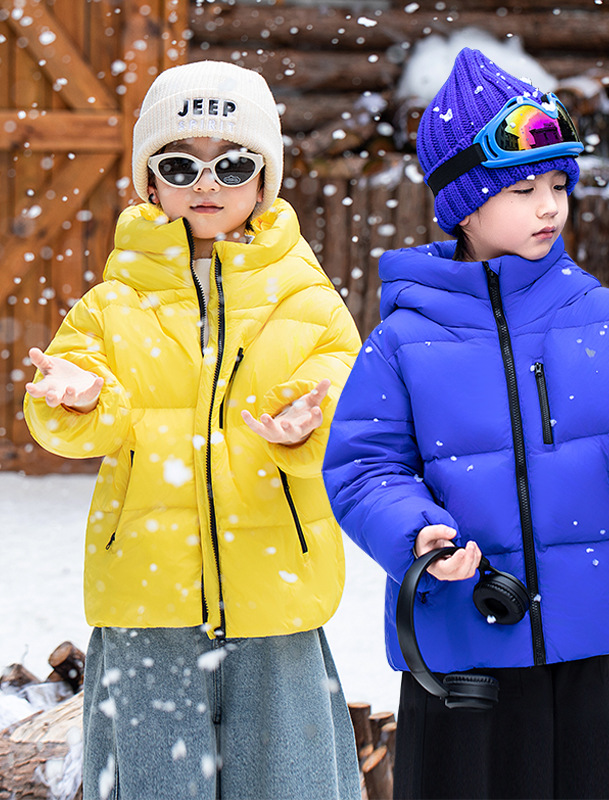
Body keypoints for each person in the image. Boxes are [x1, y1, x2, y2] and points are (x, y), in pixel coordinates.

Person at [322, 48, 609, 800]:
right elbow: (363, 466)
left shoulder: (599, 317)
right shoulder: (404, 340)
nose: (550, 207)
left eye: (558, 186)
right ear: (465, 205)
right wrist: (417, 534)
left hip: (577, 630)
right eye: (524, 189)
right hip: (463, 635)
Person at [24, 60, 362, 800]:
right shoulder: (112, 303)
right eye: (180, 164)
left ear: (264, 180)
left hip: (274, 581)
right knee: (155, 781)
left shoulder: (307, 299)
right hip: (149, 588)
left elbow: (348, 398)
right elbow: (76, 399)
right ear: (151, 183)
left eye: (233, 162)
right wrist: (78, 400)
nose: (207, 182)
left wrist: (309, 423)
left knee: (288, 777)